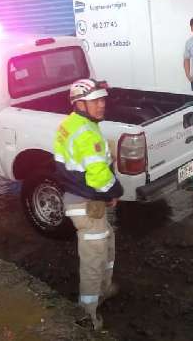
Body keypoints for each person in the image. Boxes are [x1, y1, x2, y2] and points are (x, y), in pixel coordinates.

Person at [54, 79, 123, 330]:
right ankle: (88, 314)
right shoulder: (86, 132)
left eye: (103, 100)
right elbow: (98, 176)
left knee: (107, 241)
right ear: (79, 104)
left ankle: (104, 289)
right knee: (94, 258)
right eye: (95, 101)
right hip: (84, 201)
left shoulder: (74, 123)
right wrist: (115, 191)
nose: (102, 105)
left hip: (84, 196)